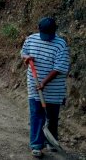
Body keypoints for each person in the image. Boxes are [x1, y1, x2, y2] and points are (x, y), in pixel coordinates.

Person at [21, 17, 70, 158]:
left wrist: (44, 83)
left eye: (49, 35)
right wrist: (26, 58)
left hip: (54, 89)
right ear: (39, 29)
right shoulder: (31, 39)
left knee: (52, 117)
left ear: (55, 31)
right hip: (34, 85)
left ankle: (50, 141)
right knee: (36, 114)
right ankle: (36, 145)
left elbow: (59, 68)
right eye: (44, 34)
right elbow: (23, 53)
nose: (47, 38)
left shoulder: (61, 45)